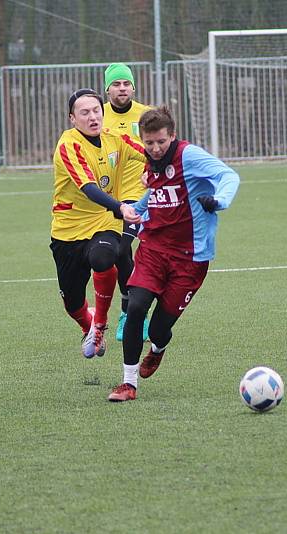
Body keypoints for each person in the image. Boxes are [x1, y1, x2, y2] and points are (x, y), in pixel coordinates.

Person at [107, 106, 240, 402]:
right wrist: (134, 211)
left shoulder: (189, 156)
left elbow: (229, 176)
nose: (155, 149)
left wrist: (219, 200)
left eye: (161, 142)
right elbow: (156, 191)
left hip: (190, 258)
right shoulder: (150, 160)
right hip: (153, 249)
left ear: (173, 136)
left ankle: (157, 349)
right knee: (136, 306)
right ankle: (128, 384)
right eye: (149, 142)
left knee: (157, 329)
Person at [50, 88, 146, 359]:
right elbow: (89, 188)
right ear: (72, 118)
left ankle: (101, 324)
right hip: (67, 230)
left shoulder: (117, 140)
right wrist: (121, 207)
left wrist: (160, 168)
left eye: (96, 111)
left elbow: (149, 153)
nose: (93, 117)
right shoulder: (68, 145)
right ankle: (88, 325)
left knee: (106, 257)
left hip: (104, 221)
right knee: (72, 303)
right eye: (85, 112)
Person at [102, 63, 152, 342]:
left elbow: (162, 146)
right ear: (107, 89)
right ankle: (127, 311)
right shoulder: (98, 115)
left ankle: (130, 314)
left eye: (126, 84)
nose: (122, 88)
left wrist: (152, 172)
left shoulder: (146, 114)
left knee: (123, 248)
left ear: (133, 87)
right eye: (116, 84)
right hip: (107, 198)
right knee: (115, 254)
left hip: (138, 196)